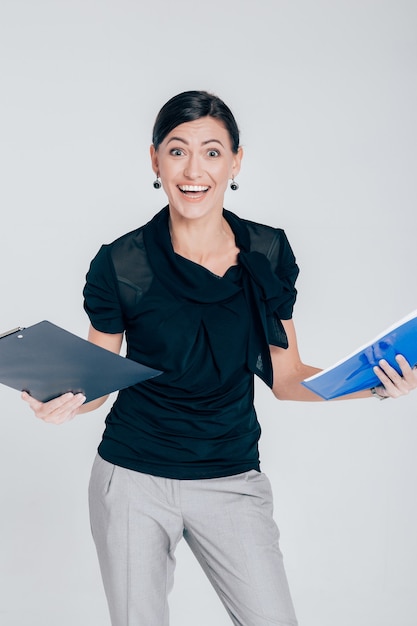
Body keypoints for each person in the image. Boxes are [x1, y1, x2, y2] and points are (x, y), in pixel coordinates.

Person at [22, 90, 417, 626]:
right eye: (178, 150)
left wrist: (374, 385)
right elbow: (98, 381)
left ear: (235, 162)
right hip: (133, 477)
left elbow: (288, 378)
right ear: (155, 160)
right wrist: (59, 402)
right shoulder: (121, 262)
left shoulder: (268, 251)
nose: (194, 169)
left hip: (231, 478)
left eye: (212, 151)